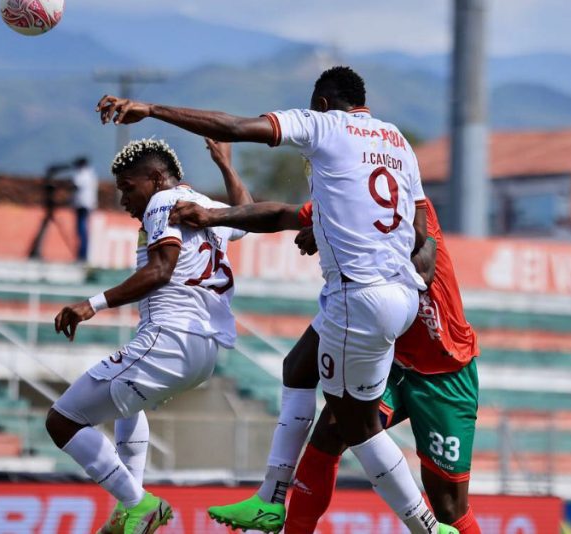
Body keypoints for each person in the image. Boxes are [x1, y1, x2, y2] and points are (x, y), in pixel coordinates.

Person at [98, 66, 456, 534]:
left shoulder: (325, 125)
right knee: (298, 368)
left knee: (358, 427)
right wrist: (327, 228)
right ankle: (271, 498)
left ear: (323, 103)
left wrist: (153, 110)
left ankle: (426, 527)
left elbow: (233, 127)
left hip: (359, 297)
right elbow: (420, 232)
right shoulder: (397, 144)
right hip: (398, 294)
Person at [171, 195, 482, 533]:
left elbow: (424, 266)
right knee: (332, 428)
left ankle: (424, 526)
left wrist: (334, 231)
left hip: (445, 371)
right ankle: (283, 513)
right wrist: (213, 213)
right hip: (391, 359)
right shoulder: (345, 191)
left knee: (448, 506)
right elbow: (280, 213)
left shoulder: (406, 194)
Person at [46, 138, 249, 534]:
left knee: (62, 421)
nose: (124, 199)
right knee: (127, 404)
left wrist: (92, 304)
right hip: (203, 351)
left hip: (169, 340)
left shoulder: (162, 202)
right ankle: (131, 509)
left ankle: (139, 503)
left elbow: (160, 271)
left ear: (156, 178)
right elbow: (244, 214)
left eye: (127, 188)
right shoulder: (200, 204)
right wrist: (226, 164)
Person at [71, 156, 98, 262]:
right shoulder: (91, 174)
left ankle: (82, 254)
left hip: (82, 204)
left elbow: (75, 185)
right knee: (83, 230)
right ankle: (82, 254)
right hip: (88, 204)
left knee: (81, 230)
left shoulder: (82, 174)